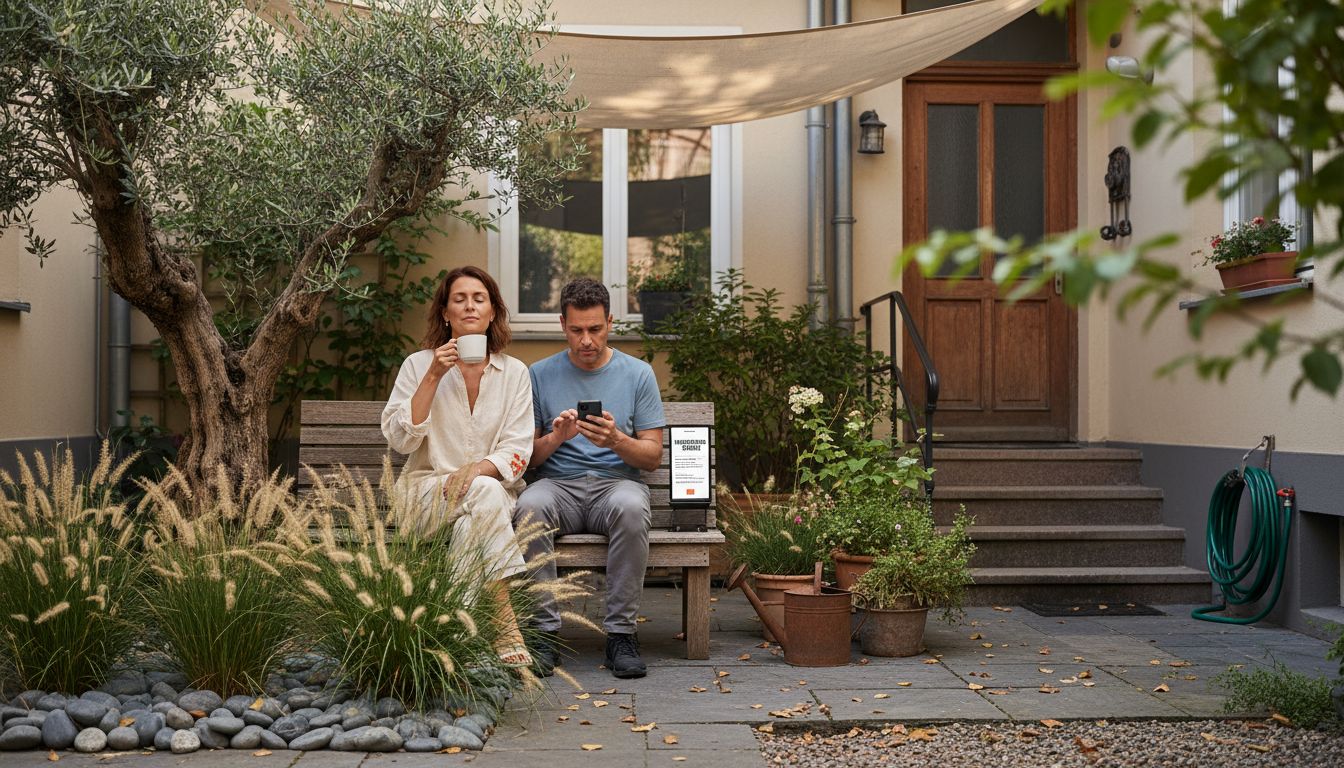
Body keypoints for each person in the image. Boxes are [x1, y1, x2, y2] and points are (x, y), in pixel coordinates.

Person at [381, 265, 535, 668]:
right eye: (460, 299)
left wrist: (475, 472)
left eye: (479, 298)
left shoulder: (514, 373)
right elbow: (401, 441)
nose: (470, 305)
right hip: (427, 494)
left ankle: (455, 636)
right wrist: (433, 374)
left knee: (477, 509)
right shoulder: (418, 365)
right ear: (446, 313)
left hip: (488, 495)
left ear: (492, 312)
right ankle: (504, 622)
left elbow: (519, 449)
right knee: (483, 496)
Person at [514, 278, 666, 679]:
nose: (587, 340)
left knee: (633, 507)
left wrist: (617, 440)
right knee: (528, 505)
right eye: (577, 329)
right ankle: (545, 633)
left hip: (616, 485)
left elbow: (652, 457)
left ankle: (620, 635)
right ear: (562, 324)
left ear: (610, 323)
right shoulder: (539, 374)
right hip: (557, 486)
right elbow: (527, 460)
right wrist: (556, 436)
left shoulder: (638, 374)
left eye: (595, 329)